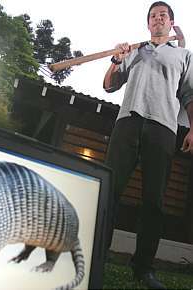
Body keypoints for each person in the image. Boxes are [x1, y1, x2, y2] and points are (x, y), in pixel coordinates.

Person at [103, 1, 193, 289]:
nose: (158, 19)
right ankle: (96, 252)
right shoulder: (134, 50)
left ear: (171, 22)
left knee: (154, 201)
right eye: (153, 16)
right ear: (148, 24)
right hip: (128, 121)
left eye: (162, 15)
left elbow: (189, 95)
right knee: (110, 190)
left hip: (163, 127)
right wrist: (116, 60)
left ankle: (143, 268)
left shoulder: (183, 54)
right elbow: (108, 86)